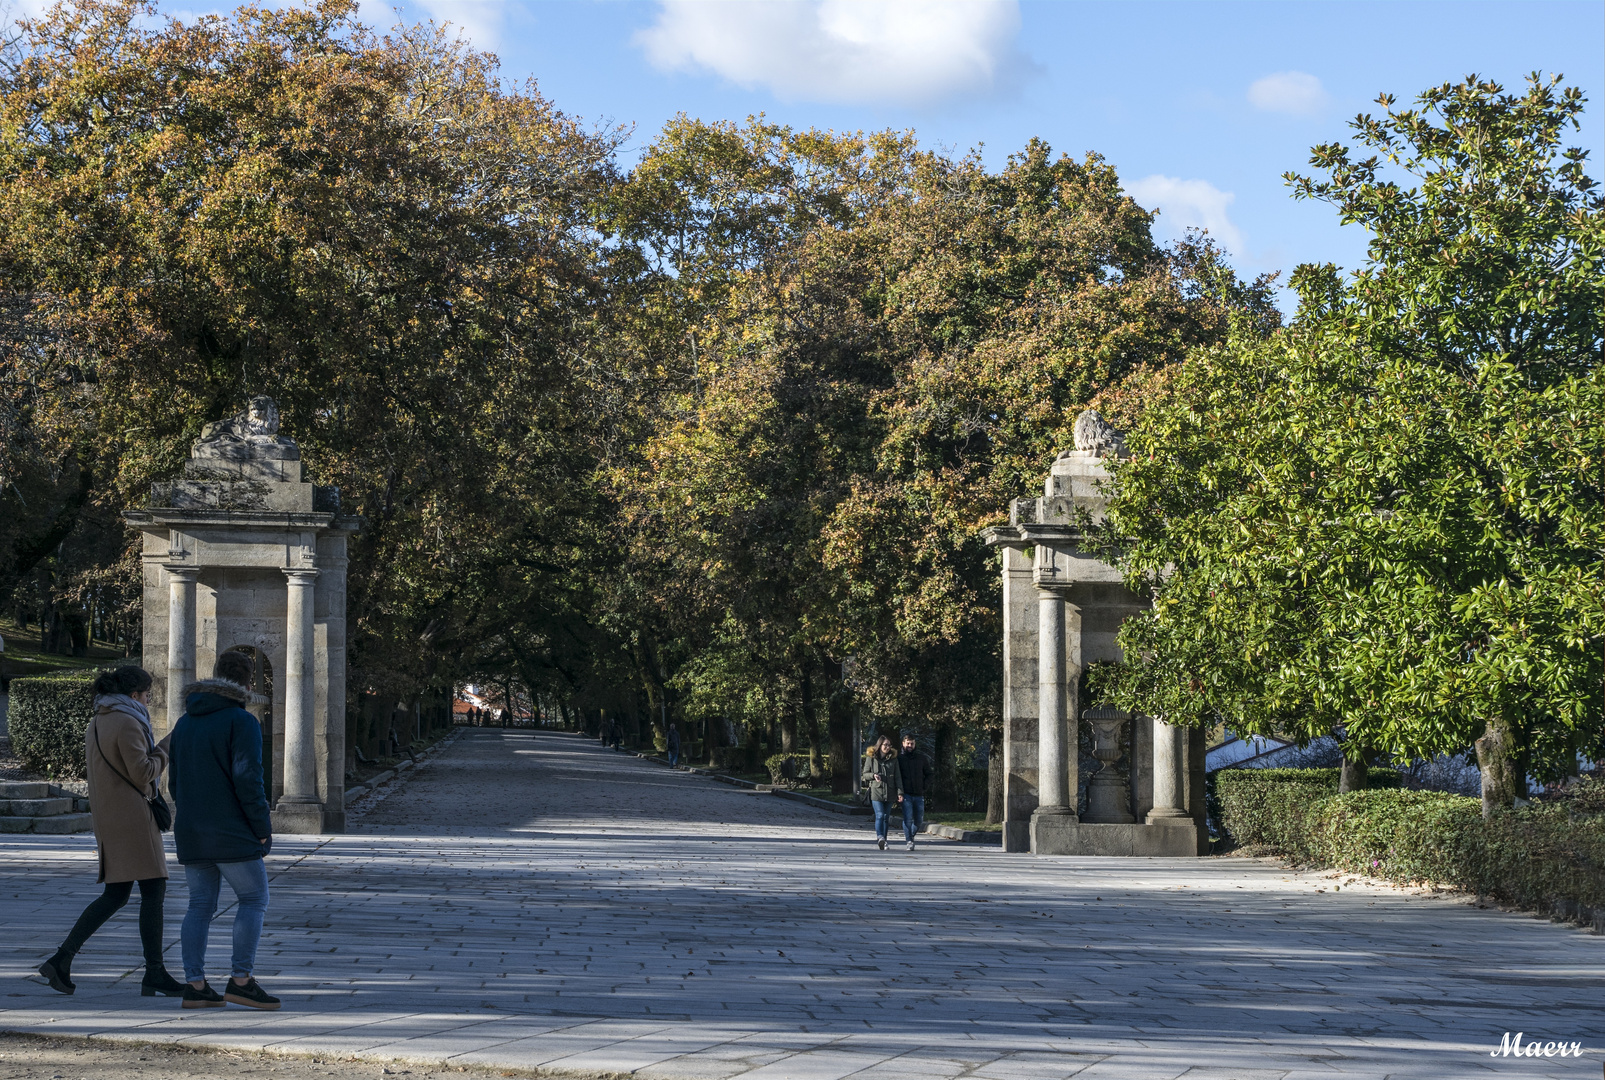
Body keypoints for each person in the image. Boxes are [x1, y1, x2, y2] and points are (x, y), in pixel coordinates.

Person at [37, 666, 185, 998]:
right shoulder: (128, 721)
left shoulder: (99, 719)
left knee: (117, 894)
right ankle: (155, 974)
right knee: (153, 891)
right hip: (132, 818)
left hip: (112, 816)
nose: (149, 701)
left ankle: (61, 960)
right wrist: (168, 745)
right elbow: (143, 772)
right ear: (134, 695)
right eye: (147, 695)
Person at [167, 651, 279, 1010]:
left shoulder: (184, 722)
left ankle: (195, 985)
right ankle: (241, 980)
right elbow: (249, 779)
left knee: (199, 905)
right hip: (231, 831)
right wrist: (262, 828)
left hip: (192, 829)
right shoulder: (241, 721)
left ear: (214, 676)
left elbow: (174, 782)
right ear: (248, 684)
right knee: (254, 899)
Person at [860, 735, 904, 851]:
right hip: (876, 791)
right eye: (885, 745)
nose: (887, 747)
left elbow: (898, 777)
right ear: (879, 745)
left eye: (889, 745)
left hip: (890, 792)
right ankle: (880, 837)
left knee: (886, 817)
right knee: (880, 815)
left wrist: (900, 792)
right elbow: (865, 774)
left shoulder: (893, 759)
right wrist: (873, 776)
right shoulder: (872, 758)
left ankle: (884, 841)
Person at [896, 733, 934, 851]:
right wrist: (899, 792)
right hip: (905, 793)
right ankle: (909, 841)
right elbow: (896, 777)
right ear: (903, 744)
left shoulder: (921, 758)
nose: (910, 745)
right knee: (907, 818)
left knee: (919, 820)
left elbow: (929, 774)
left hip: (918, 793)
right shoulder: (899, 759)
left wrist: (924, 786)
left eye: (912, 743)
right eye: (908, 743)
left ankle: (910, 835)